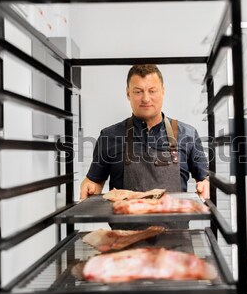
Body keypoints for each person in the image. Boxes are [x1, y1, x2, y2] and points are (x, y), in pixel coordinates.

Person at [80, 65, 209, 228]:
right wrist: (91, 185)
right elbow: (94, 181)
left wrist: (205, 183)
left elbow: (204, 179)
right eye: (138, 91)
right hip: (124, 243)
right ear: (128, 93)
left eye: (152, 91)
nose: (146, 98)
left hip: (175, 242)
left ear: (163, 91)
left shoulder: (188, 134)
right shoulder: (109, 136)